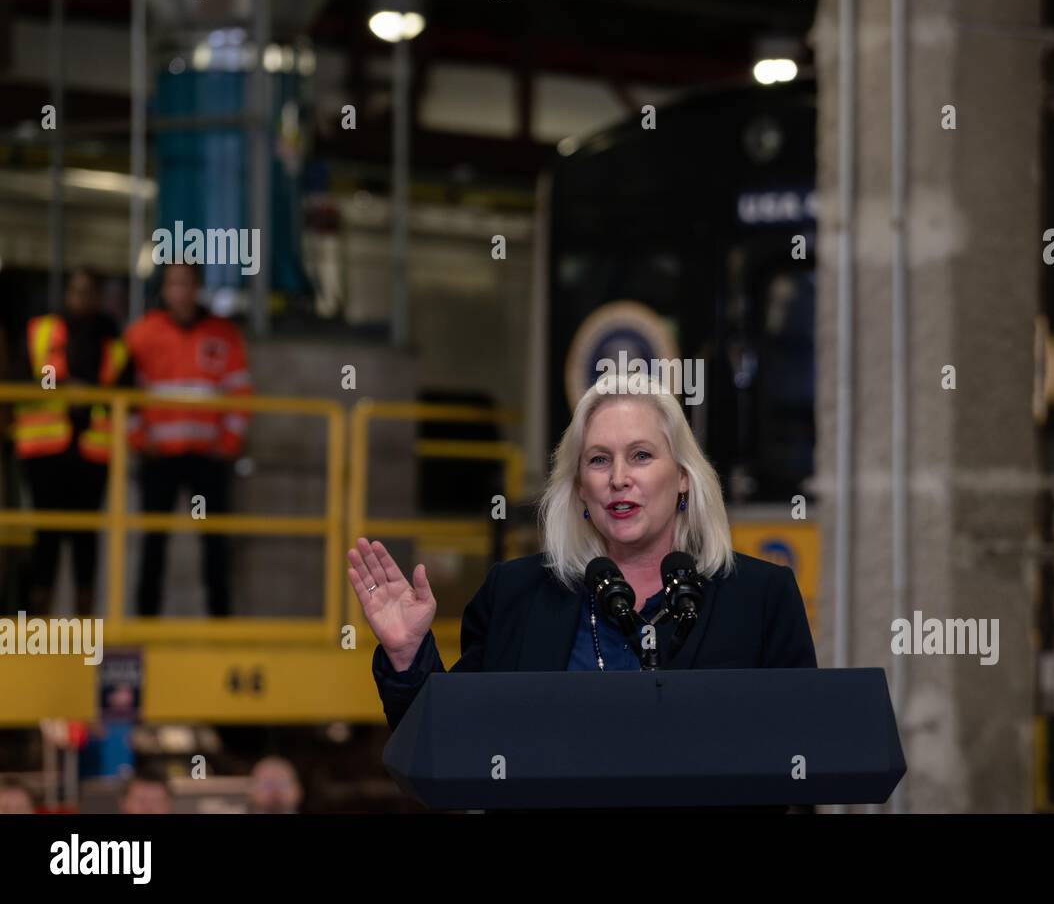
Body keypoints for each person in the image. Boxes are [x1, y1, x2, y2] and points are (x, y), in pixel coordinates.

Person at [351, 372, 817, 732]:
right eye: (598, 460)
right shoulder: (514, 595)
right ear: (579, 489)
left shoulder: (760, 598)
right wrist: (408, 653)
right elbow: (451, 745)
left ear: (682, 478)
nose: (618, 478)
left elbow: (800, 748)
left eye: (640, 455)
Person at [124, 261, 251, 617]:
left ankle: (220, 627)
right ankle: (145, 626)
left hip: (208, 459)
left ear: (197, 287)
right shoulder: (141, 335)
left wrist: (228, 442)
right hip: (158, 458)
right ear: (164, 290)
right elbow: (123, 392)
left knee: (215, 546)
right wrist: (137, 437)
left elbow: (241, 393)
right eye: (173, 284)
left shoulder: (224, 335)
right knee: (153, 545)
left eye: (187, 283)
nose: (180, 291)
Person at [8, 268, 128, 616]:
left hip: (92, 454)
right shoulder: (40, 331)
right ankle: (38, 630)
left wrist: (91, 396)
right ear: (66, 294)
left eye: (89, 291)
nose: (82, 298)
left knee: (85, 542)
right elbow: (21, 380)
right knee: (46, 539)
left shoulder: (114, 342)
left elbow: (123, 393)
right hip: (45, 454)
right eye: (76, 290)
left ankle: (83, 629)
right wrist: (62, 387)